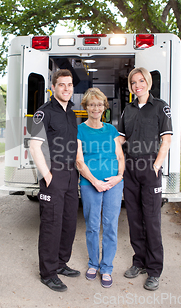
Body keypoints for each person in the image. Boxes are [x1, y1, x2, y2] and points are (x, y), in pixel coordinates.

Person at [117, 67, 172, 291]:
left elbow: (166, 140)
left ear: (148, 82)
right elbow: (120, 138)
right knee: (134, 218)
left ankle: (154, 269)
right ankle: (139, 261)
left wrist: (156, 165)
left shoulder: (160, 107)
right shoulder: (127, 110)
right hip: (130, 168)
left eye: (140, 81)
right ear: (130, 86)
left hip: (149, 168)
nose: (137, 85)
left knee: (151, 220)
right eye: (133, 82)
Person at [29, 69, 80, 292]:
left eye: (69, 85)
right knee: (51, 224)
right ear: (53, 87)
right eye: (62, 85)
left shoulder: (71, 113)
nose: (66, 89)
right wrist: (47, 175)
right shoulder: (43, 112)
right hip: (53, 175)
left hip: (71, 175)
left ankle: (60, 263)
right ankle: (48, 273)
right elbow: (34, 146)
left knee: (68, 222)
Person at [75, 88, 125, 288]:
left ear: (104, 107)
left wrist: (118, 177)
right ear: (86, 107)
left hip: (113, 183)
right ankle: (93, 264)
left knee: (111, 226)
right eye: (91, 104)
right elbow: (79, 161)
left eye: (99, 104)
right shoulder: (79, 130)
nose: (96, 108)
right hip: (90, 183)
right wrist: (95, 182)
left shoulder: (111, 130)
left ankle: (107, 267)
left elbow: (120, 157)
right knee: (93, 226)